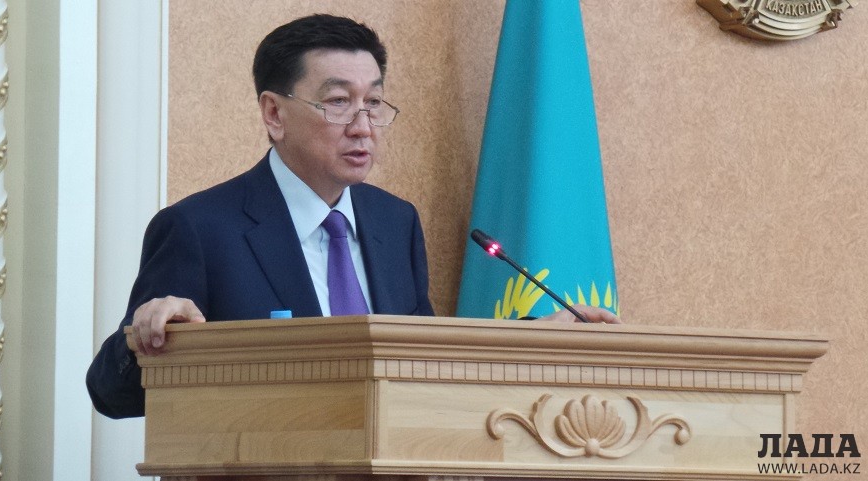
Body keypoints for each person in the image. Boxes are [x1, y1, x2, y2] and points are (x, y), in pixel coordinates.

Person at [86, 14, 618, 420]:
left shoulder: (394, 222)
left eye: (375, 103)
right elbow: (110, 394)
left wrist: (533, 337)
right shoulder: (201, 229)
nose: (363, 126)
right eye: (339, 101)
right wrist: (144, 337)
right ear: (274, 113)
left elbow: (424, 362)